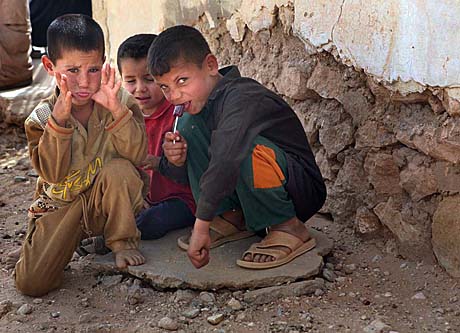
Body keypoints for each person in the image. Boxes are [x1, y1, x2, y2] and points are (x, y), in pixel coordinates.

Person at [148, 25, 327, 270]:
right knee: (191, 127)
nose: (174, 95)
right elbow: (191, 172)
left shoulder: (242, 96)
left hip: (299, 190)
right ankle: (232, 215)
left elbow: (225, 158)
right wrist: (175, 161)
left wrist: (201, 224)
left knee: (238, 145)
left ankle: (288, 226)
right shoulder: (195, 107)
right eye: (165, 87)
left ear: (210, 65)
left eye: (182, 81)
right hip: (245, 191)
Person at [14, 14, 147, 297]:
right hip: (63, 206)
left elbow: (137, 155)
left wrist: (116, 112)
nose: (84, 82)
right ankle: (46, 243)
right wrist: (59, 124)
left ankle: (121, 241)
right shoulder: (41, 116)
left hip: (108, 202)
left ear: (104, 63)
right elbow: (52, 175)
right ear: (49, 66)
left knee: (119, 169)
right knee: (32, 285)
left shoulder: (120, 101)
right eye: (72, 70)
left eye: (93, 70)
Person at [116, 33, 195, 240]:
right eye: (130, 80)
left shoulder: (179, 113)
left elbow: (191, 169)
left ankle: (115, 238)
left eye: (149, 79)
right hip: (144, 197)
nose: (140, 89)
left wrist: (157, 162)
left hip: (182, 199)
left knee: (150, 223)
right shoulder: (122, 115)